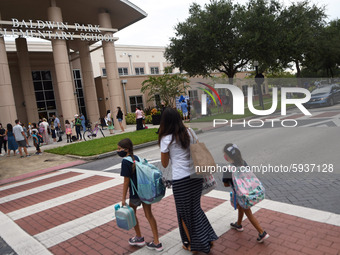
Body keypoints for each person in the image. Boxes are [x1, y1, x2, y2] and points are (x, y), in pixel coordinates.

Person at [159, 108, 218, 253]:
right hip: (196, 176)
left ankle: (193, 245)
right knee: (195, 209)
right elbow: (197, 151)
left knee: (184, 213)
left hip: (181, 180)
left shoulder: (166, 139)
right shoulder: (190, 132)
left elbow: (165, 164)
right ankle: (206, 238)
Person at [118, 138, 163, 251]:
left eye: (119, 149)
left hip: (134, 194)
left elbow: (126, 181)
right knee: (149, 215)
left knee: (132, 214)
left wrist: (123, 198)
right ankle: (157, 242)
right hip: (145, 191)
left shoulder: (125, 162)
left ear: (126, 149)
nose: (117, 151)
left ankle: (139, 237)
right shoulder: (136, 158)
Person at [222, 143, 269, 243]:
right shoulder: (244, 163)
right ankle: (238, 224)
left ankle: (262, 232)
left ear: (228, 156)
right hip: (248, 191)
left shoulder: (228, 168)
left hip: (241, 194)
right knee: (241, 207)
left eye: (225, 154)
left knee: (248, 212)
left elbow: (225, 184)